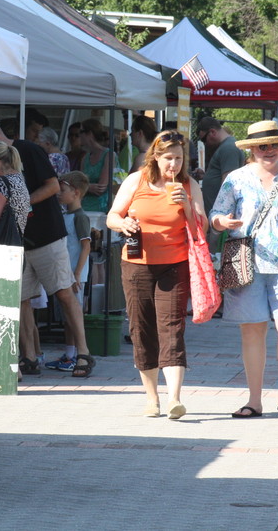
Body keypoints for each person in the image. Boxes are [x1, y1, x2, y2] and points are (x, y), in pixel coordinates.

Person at [0, 116, 95, 378]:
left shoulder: (29, 150)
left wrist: (20, 205)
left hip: (46, 234)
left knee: (62, 291)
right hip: (17, 242)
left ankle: (83, 351)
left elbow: (52, 186)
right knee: (20, 298)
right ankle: (28, 356)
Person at [210, 121, 278, 420]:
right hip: (246, 265)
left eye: (274, 145)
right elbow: (215, 214)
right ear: (252, 150)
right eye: (262, 146)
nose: (269, 151)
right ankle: (254, 400)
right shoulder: (236, 179)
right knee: (253, 331)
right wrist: (222, 223)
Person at [106, 130, 204, 419]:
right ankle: (152, 398)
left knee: (172, 326)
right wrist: (122, 224)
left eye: (178, 158)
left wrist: (186, 205)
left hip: (174, 263)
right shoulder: (137, 180)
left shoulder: (188, 185)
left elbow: (201, 229)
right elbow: (113, 215)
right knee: (142, 328)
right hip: (137, 264)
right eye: (168, 158)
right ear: (156, 158)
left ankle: (174, 398)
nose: (173, 164)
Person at [57, 171, 92, 345]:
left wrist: (77, 273)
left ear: (76, 192)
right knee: (67, 314)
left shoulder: (80, 217)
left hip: (75, 275)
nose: (59, 194)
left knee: (74, 313)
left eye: (62, 190)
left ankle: (75, 352)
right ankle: (70, 352)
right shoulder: (66, 215)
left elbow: (86, 246)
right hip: (67, 272)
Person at [195, 117, 246, 224]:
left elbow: (229, 184)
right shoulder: (226, 146)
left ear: (212, 132)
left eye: (204, 139)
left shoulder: (228, 148)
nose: (205, 144)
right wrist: (206, 176)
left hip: (222, 218)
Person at [75, 118, 112, 212]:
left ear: (89, 134)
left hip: (102, 208)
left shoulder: (108, 155)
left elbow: (101, 188)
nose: (79, 136)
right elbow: (80, 186)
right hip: (84, 207)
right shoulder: (85, 158)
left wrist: (86, 187)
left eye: (81, 132)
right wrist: (89, 187)